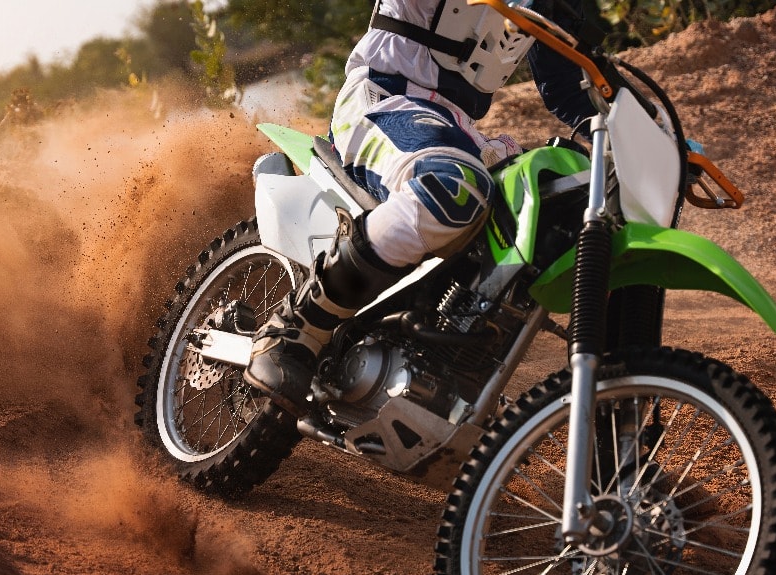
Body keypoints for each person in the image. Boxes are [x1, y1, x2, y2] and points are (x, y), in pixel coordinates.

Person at [243, 0, 599, 415]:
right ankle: (296, 327)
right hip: (385, 99)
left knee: (569, 214)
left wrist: (654, 138)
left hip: (456, 130)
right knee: (455, 190)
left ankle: (615, 448)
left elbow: (568, 86)